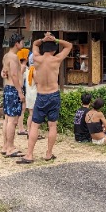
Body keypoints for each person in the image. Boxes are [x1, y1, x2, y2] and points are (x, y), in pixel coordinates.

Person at [17, 32, 72, 164]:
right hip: (53, 95)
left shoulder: (37, 58)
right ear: (54, 49)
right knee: (52, 125)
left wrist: (43, 39)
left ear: (43, 49)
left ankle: (29, 155)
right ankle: (48, 153)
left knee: (35, 125)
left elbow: (35, 44)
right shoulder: (57, 59)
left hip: (41, 96)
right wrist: (55, 39)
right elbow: (69, 45)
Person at [1, 33, 26, 158]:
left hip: (7, 88)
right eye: (22, 42)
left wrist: (4, 74)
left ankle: (6, 146)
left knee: (7, 119)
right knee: (13, 120)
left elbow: (3, 71)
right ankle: (10, 147)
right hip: (13, 89)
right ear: (17, 43)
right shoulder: (14, 57)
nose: (23, 44)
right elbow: (15, 75)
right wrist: (20, 92)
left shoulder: (6, 56)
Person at [15, 48, 30, 136]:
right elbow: (20, 77)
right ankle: (21, 128)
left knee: (22, 109)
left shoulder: (17, 66)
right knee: (22, 109)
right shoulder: (23, 67)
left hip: (21, 88)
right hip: (22, 88)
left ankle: (21, 128)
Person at [23, 54, 38, 138]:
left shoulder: (27, 70)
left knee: (30, 114)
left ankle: (29, 131)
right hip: (34, 94)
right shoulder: (34, 70)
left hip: (28, 94)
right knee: (34, 115)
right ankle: (33, 132)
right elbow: (37, 82)